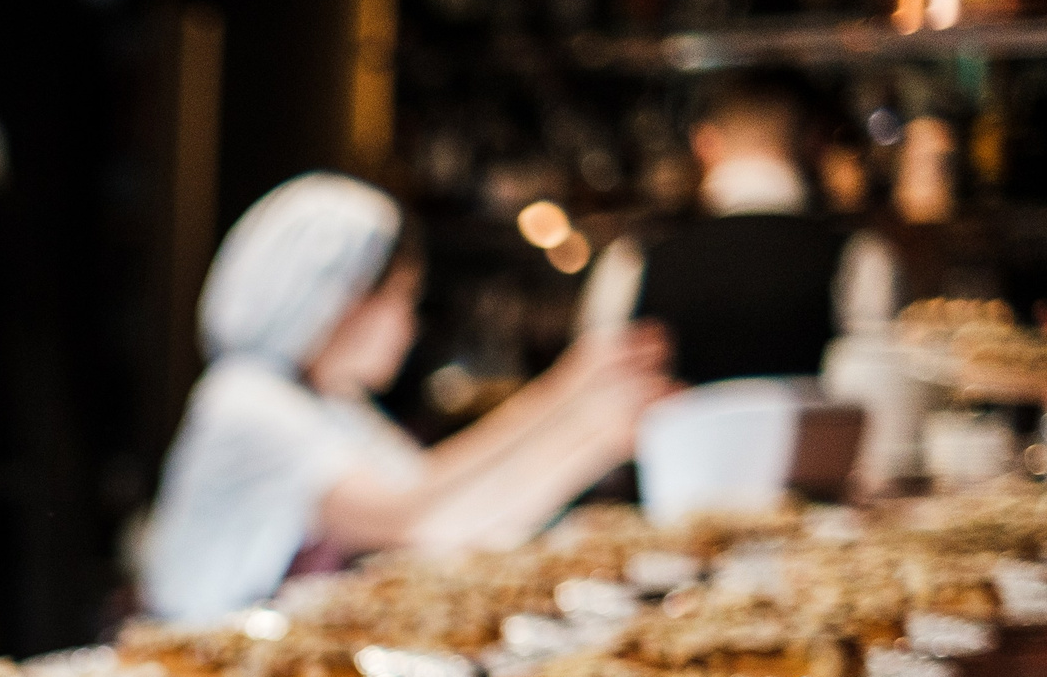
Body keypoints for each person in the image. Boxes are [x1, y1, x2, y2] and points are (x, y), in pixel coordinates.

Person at [140, 173, 670, 623]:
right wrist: (564, 388)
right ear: (338, 299)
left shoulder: (336, 406)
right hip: (203, 670)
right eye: (400, 300)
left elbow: (453, 526)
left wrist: (596, 439)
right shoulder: (246, 398)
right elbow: (402, 514)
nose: (410, 326)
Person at [578, 70, 896, 385]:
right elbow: (878, 404)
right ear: (816, 145)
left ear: (704, 143)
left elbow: (590, 398)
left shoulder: (633, 258)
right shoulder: (860, 256)